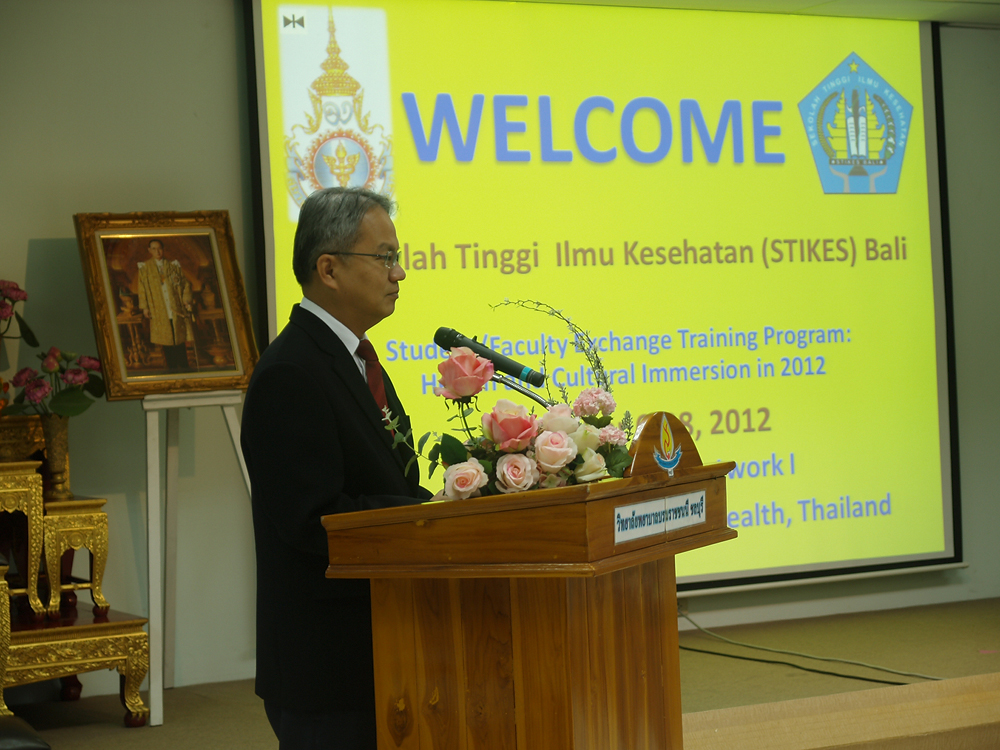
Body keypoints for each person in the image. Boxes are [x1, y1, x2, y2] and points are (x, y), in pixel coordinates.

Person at [240, 187, 429, 749]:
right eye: (385, 256)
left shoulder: (354, 358)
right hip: (327, 664)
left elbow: (387, 477)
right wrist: (427, 517)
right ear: (329, 269)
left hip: (379, 642)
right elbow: (313, 520)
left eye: (397, 257)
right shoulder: (291, 373)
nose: (398, 273)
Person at [136, 239, 194, 371]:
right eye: (154, 249)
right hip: (158, 309)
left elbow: (185, 284)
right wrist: (145, 307)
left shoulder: (173, 265)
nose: (157, 252)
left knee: (178, 337)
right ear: (149, 250)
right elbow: (142, 289)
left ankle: (184, 367)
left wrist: (186, 300)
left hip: (175, 308)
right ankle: (172, 368)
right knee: (166, 338)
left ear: (163, 249)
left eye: (159, 248)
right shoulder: (145, 268)